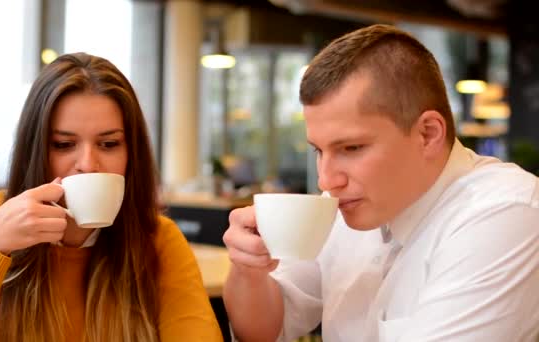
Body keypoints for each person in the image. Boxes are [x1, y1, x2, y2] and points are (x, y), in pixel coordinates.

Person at [222, 24, 539, 342]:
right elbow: (263, 332)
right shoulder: (350, 205)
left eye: (352, 148)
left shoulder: (506, 214)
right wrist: (250, 270)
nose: (326, 180)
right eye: (319, 150)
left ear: (427, 133)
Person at [0, 53, 223, 341]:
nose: (87, 163)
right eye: (63, 144)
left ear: (131, 154)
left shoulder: (156, 240)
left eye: (108, 144)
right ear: (35, 151)